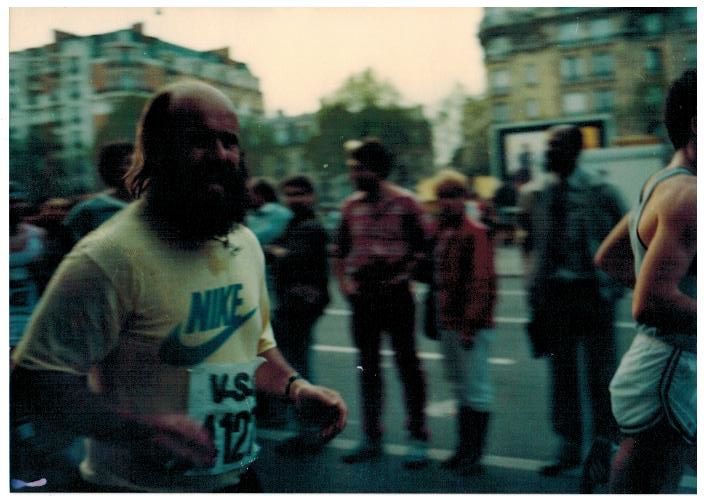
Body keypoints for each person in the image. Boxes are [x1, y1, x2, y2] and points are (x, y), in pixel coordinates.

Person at [10, 80, 347, 493]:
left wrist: (296, 388)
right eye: (199, 141)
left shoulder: (242, 243)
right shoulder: (106, 257)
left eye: (229, 141)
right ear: (157, 150)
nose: (220, 154)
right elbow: (36, 379)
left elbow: (255, 347)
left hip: (237, 478)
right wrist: (139, 430)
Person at [594, 69, 696, 493]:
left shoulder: (661, 183)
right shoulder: (689, 195)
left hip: (660, 367)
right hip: (667, 375)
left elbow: (609, 256)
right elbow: (650, 302)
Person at [523, 124, 626, 476]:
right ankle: (567, 446)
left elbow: (632, 235)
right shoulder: (542, 194)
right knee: (562, 374)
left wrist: (617, 284)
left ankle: (603, 449)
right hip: (557, 296)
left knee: (601, 376)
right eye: (548, 146)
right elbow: (533, 245)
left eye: (556, 146)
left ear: (575, 150)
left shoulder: (602, 190)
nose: (548, 153)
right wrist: (534, 293)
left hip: (592, 294)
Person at [333, 137, 429, 469]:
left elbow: (423, 250)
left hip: (396, 294)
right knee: (367, 368)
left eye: (358, 169)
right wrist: (345, 283)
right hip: (363, 297)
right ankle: (371, 437)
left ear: (376, 169)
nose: (353, 175)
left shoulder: (406, 203)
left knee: (408, 366)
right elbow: (339, 251)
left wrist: (404, 275)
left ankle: (417, 437)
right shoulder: (350, 207)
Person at [430, 170, 497, 475]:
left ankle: (474, 454)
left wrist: (470, 325)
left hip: (468, 325)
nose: (447, 203)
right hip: (449, 322)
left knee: (475, 389)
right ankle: (463, 450)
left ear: (464, 198)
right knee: (460, 389)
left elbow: (481, 283)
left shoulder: (475, 232)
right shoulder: (442, 231)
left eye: (453, 196)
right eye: (442, 197)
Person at [266, 174, 331, 454]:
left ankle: (308, 431)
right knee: (297, 364)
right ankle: (308, 428)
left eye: (300, 194)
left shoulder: (310, 226)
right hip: (295, 303)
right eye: (289, 194)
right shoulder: (295, 223)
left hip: (299, 305)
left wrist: (277, 252)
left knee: (296, 368)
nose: (294, 200)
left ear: (312, 196)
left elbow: (291, 257)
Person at [63, 141, 134, 245]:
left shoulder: (157, 207)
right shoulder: (86, 211)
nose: (124, 168)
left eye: (130, 163)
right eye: (119, 164)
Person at [9, 182, 47, 348]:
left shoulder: (38, 235)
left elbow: (47, 276)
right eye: (10, 201)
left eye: (18, 201)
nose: (15, 206)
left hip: (31, 308)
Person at [245, 177, 293, 246]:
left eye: (248, 192)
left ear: (260, 194)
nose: (245, 196)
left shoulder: (280, 213)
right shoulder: (250, 214)